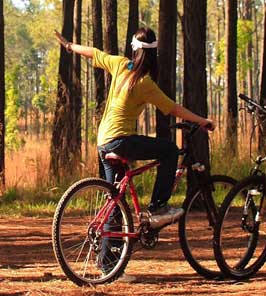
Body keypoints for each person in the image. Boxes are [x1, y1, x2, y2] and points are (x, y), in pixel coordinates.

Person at [54, 27, 215, 228]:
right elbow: (172, 108)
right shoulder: (144, 83)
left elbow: (94, 52)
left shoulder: (120, 64)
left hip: (104, 141)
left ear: (134, 50)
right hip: (121, 141)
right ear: (153, 55)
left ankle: (109, 257)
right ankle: (158, 208)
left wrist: (69, 46)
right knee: (169, 150)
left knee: (115, 201)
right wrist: (202, 120)